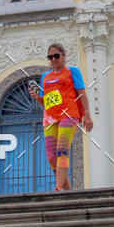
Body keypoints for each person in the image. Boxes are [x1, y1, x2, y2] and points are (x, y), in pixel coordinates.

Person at [28, 43, 93, 192]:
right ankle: (68, 190)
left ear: (63, 56)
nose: (53, 59)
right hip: (50, 117)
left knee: (62, 150)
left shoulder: (72, 71)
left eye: (56, 56)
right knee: (51, 156)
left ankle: (58, 187)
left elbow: (82, 94)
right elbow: (45, 102)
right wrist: (37, 97)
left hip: (69, 115)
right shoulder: (45, 77)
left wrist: (87, 115)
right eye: (50, 57)